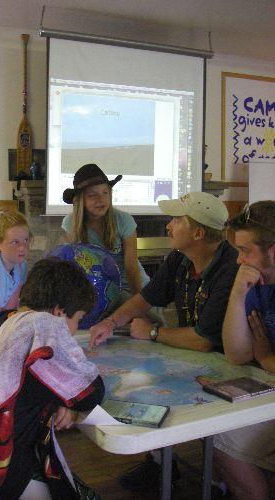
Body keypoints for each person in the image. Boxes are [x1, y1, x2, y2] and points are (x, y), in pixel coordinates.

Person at [90, 191, 239, 493]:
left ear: (198, 233)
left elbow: (203, 340)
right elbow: (146, 298)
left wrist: (154, 333)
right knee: (144, 387)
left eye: (175, 220)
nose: (168, 226)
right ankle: (160, 463)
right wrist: (111, 322)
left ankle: (215, 480)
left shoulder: (231, 268)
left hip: (231, 370)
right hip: (199, 363)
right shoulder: (180, 258)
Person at [0, 258, 105, 500]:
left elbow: (27, 382)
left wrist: (61, 399)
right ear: (58, 311)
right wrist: (70, 401)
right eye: (77, 320)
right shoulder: (45, 326)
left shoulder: (5, 320)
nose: (75, 331)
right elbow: (92, 392)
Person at [214, 201, 275, 500]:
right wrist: (238, 295)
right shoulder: (258, 282)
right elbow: (236, 354)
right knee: (221, 432)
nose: (239, 261)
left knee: (227, 438)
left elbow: (259, 358)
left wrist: (266, 358)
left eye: (245, 250)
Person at [62, 163, 150, 302]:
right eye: (93, 195)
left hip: (132, 288)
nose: (101, 199)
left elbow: (131, 266)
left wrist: (138, 303)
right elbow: (73, 264)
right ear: (80, 200)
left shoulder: (124, 220)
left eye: (105, 193)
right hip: (99, 289)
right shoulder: (70, 223)